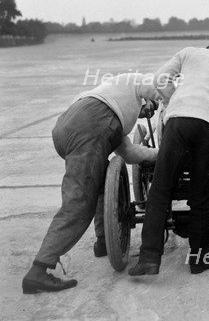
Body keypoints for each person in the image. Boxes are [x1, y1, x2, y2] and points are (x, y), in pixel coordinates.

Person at [22, 73, 161, 294]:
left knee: (102, 177)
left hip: (69, 124)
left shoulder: (113, 103)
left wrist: (159, 154)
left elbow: (130, 153)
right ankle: (38, 270)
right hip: (91, 123)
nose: (147, 111)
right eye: (148, 107)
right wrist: (164, 99)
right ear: (145, 99)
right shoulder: (133, 82)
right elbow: (155, 87)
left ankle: (104, 241)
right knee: (78, 203)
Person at [128, 42, 209, 276]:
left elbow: (159, 80)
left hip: (177, 122)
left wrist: (174, 99)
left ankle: (148, 258)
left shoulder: (189, 53)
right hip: (208, 128)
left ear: (207, 49)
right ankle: (199, 260)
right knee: (201, 193)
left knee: (160, 189)